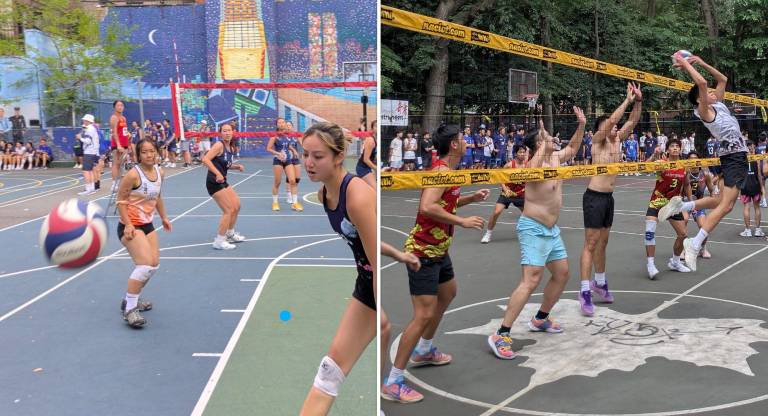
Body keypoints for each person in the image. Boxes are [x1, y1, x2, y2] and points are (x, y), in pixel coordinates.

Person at [382, 124, 489, 402]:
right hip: (423, 252)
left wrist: (471, 198)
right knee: (423, 315)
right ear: (453, 144)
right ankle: (393, 381)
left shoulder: (449, 171)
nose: (466, 142)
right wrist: (462, 222)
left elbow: (444, 202)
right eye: (463, 139)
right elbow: (427, 206)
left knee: (448, 292)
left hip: (439, 249)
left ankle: (424, 349)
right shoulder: (440, 171)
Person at [488, 106, 586, 360]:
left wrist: (582, 125)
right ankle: (501, 333)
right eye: (545, 137)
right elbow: (532, 166)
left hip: (551, 230)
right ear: (537, 145)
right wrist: (543, 143)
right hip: (532, 227)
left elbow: (573, 148)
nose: (552, 138)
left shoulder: (555, 159)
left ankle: (541, 318)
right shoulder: (532, 165)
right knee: (531, 280)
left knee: (562, 274)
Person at [299, 123, 377, 416]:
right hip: (366, 282)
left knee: (386, 332)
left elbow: (376, 261)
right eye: (305, 154)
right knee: (329, 372)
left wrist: (380, 309)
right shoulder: (325, 195)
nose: (308, 162)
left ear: (339, 156)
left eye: (318, 156)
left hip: (378, 283)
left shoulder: (356, 196)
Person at [659, 54, 751, 271]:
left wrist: (700, 62)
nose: (711, 92)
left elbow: (723, 79)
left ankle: (683, 206)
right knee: (726, 206)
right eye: (708, 92)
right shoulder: (704, 111)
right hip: (734, 157)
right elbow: (701, 83)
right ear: (700, 99)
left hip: (734, 157)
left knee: (721, 202)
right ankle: (694, 243)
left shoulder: (719, 106)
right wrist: (684, 62)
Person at [578, 82, 642, 316]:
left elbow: (632, 120)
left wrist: (638, 100)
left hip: (608, 199)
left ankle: (600, 282)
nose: (615, 126)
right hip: (594, 197)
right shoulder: (598, 140)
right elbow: (614, 120)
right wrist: (626, 100)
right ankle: (585, 291)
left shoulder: (618, 141)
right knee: (590, 244)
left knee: (603, 243)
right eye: (610, 125)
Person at [115, 138, 171, 328]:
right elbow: (121, 201)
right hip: (130, 226)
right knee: (145, 265)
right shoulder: (133, 175)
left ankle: (130, 299)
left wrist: (164, 217)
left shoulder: (160, 172)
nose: (149, 155)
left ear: (157, 153)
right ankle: (130, 310)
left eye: (152, 151)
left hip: (147, 224)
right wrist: (128, 224)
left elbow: (158, 196)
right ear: (138, 155)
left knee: (154, 265)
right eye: (144, 152)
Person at [644, 139, 692, 279]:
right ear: (668, 149)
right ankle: (650, 264)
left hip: (673, 204)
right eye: (672, 146)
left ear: (680, 149)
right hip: (657, 201)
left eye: (677, 146)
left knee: (683, 235)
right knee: (649, 232)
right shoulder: (661, 163)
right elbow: (645, 167)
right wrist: (654, 155)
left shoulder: (684, 166)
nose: (675, 148)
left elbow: (687, 184)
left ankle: (675, 262)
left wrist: (691, 202)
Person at [201, 124, 245, 250]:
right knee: (228, 210)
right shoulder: (219, 145)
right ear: (220, 133)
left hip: (222, 180)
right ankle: (219, 241)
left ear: (233, 132)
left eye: (229, 130)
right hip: (214, 182)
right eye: (224, 131)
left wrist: (236, 166)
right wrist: (217, 173)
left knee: (237, 205)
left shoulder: (230, 147)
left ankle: (230, 233)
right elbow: (205, 159)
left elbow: (225, 164)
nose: (227, 133)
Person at [481, 144, 528, 244]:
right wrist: (505, 189)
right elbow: (501, 178)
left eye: (524, 152)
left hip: (520, 194)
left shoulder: (528, 165)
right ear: (516, 154)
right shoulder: (509, 165)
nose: (522, 154)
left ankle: (529, 232)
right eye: (520, 152)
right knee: (496, 212)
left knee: (530, 215)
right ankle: (488, 234)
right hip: (507, 193)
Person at [683, 151, 714, 258]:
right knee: (684, 221)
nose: (693, 161)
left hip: (699, 204)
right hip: (685, 203)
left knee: (704, 226)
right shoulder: (684, 173)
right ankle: (682, 249)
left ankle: (703, 248)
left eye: (695, 158)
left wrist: (713, 202)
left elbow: (711, 191)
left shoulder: (704, 174)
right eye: (690, 159)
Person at [267, 122, 296, 212]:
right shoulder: (274, 136)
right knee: (277, 182)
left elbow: (288, 145)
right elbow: (268, 148)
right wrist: (278, 153)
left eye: (283, 122)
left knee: (292, 181)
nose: (282, 124)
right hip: (278, 160)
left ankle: (295, 203)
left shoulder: (287, 135)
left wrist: (294, 151)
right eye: (280, 123)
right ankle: (275, 203)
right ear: (277, 125)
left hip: (287, 160)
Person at [738, 141, 764, 237]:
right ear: (751, 147)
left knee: (746, 207)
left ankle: (748, 230)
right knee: (757, 207)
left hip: (745, 186)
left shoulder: (741, 160)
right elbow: (759, 174)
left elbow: (739, 175)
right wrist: (762, 187)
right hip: (755, 185)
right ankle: (757, 230)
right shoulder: (756, 158)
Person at [109, 100, 131, 192]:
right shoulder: (114, 117)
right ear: (114, 107)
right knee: (116, 163)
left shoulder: (123, 118)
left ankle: (120, 183)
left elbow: (123, 130)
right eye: (118, 105)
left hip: (125, 144)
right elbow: (114, 132)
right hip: (117, 145)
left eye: (122, 105)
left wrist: (128, 134)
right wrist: (118, 145)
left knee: (122, 164)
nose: (120, 107)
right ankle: (114, 184)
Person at [78, 114, 101, 195]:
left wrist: (80, 138)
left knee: (86, 171)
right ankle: (91, 188)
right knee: (90, 171)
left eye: (85, 120)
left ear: (88, 121)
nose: (83, 121)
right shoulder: (91, 128)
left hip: (89, 152)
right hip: (93, 152)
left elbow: (88, 141)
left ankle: (88, 189)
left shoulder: (90, 129)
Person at [285, 121, 304, 211]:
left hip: (295, 158)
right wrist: (294, 150)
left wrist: (306, 150)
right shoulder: (284, 136)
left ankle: (293, 193)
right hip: (287, 158)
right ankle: (289, 195)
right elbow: (288, 146)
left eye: (290, 125)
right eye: (287, 125)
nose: (288, 127)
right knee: (290, 178)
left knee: (297, 178)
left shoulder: (296, 135)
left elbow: (302, 144)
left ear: (292, 127)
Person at [356, 120, 378, 187]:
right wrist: (376, 168)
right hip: (362, 168)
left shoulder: (376, 139)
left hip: (368, 167)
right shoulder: (371, 140)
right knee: (375, 189)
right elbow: (366, 159)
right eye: (376, 126)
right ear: (372, 129)